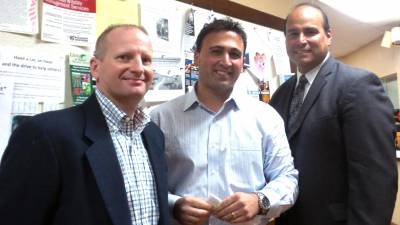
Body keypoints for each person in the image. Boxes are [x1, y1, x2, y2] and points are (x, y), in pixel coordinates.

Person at [0, 24, 169, 225]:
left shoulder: (153, 135)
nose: (139, 68)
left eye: (146, 60)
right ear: (95, 67)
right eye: (124, 57)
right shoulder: (45, 134)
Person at [151, 18, 298, 225]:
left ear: (242, 64)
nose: (226, 61)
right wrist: (174, 205)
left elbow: (288, 178)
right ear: (197, 56)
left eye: (234, 54)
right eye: (216, 51)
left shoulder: (266, 117)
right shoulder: (160, 117)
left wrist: (260, 201)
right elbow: (145, 183)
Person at [269, 3, 398, 225]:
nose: (301, 40)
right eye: (293, 34)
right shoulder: (280, 95)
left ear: (328, 36)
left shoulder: (358, 85)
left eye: (310, 31)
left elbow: (375, 179)